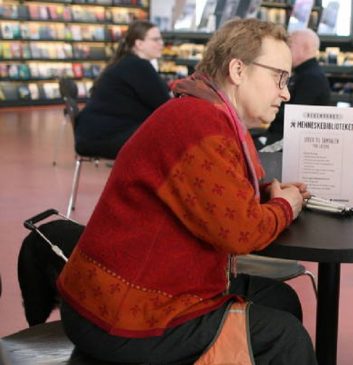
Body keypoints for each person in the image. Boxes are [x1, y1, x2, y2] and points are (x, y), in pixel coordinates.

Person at [57, 19, 317, 365]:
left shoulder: (202, 112)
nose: (286, 92)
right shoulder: (200, 125)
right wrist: (287, 204)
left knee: (280, 299)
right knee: (286, 339)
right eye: (279, 77)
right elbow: (242, 233)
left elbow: (211, 195)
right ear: (238, 70)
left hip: (119, 296)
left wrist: (266, 194)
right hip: (124, 317)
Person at [74, 20, 170, 159]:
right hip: (104, 138)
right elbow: (164, 104)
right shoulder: (138, 66)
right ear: (139, 44)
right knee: (170, 135)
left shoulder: (126, 62)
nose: (161, 43)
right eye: (155, 39)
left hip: (92, 134)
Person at [257, 28, 331, 149]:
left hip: (288, 142)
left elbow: (296, 116)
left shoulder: (311, 77)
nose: (286, 49)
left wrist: (263, 108)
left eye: (290, 45)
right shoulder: (306, 73)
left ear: (305, 48)